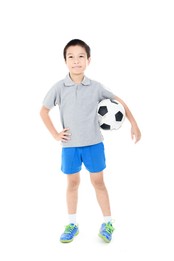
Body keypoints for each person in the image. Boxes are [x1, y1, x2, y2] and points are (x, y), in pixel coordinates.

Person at [40, 39, 141, 243]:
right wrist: (55, 134)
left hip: (94, 144)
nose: (76, 61)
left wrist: (134, 124)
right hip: (70, 146)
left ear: (88, 60)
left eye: (81, 57)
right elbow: (43, 111)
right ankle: (72, 224)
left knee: (98, 182)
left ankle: (107, 222)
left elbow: (120, 102)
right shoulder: (59, 87)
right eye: (71, 57)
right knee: (72, 183)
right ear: (65, 61)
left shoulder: (95, 87)